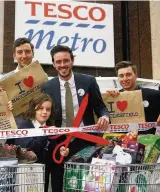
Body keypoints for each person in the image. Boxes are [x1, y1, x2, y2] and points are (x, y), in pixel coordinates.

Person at [41, 45, 110, 192]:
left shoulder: (89, 81)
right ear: (53, 64)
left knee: (85, 185)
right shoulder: (47, 87)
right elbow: (43, 114)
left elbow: (100, 106)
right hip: (59, 143)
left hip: (86, 142)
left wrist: (105, 116)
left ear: (72, 60)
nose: (62, 65)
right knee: (59, 184)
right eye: (58, 62)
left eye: (66, 60)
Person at [106, 61, 160, 134]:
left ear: (136, 75)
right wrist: (107, 98)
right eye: (121, 76)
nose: (125, 79)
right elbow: (105, 118)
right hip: (120, 143)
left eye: (128, 75)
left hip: (146, 143)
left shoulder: (151, 95)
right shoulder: (114, 97)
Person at [6, 93, 69, 164]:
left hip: (45, 172)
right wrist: (44, 133)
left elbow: (53, 155)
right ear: (33, 109)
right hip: (26, 171)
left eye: (48, 109)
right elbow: (27, 148)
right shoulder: (24, 126)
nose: (44, 112)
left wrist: (61, 151)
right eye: (40, 108)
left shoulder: (52, 128)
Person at [0, 37, 35, 127]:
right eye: (19, 52)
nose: (24, 56)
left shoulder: (42, 76)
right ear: (14, 56)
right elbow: (0, 112)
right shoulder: (4, 80)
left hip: (37, 130)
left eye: (27, 51)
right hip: (15, 130)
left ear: (33, 53)